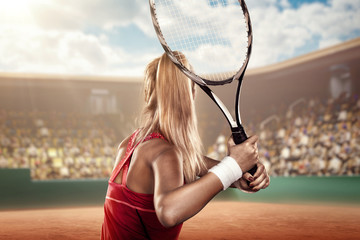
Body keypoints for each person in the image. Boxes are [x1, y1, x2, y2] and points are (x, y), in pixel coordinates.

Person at [101, 52, 270, 240]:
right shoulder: (165, 153)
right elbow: (169, 212)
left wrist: (239, 174)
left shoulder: (131, 143)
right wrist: (233, 165)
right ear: (192, 94)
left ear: (149, 94)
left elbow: (194, 163)